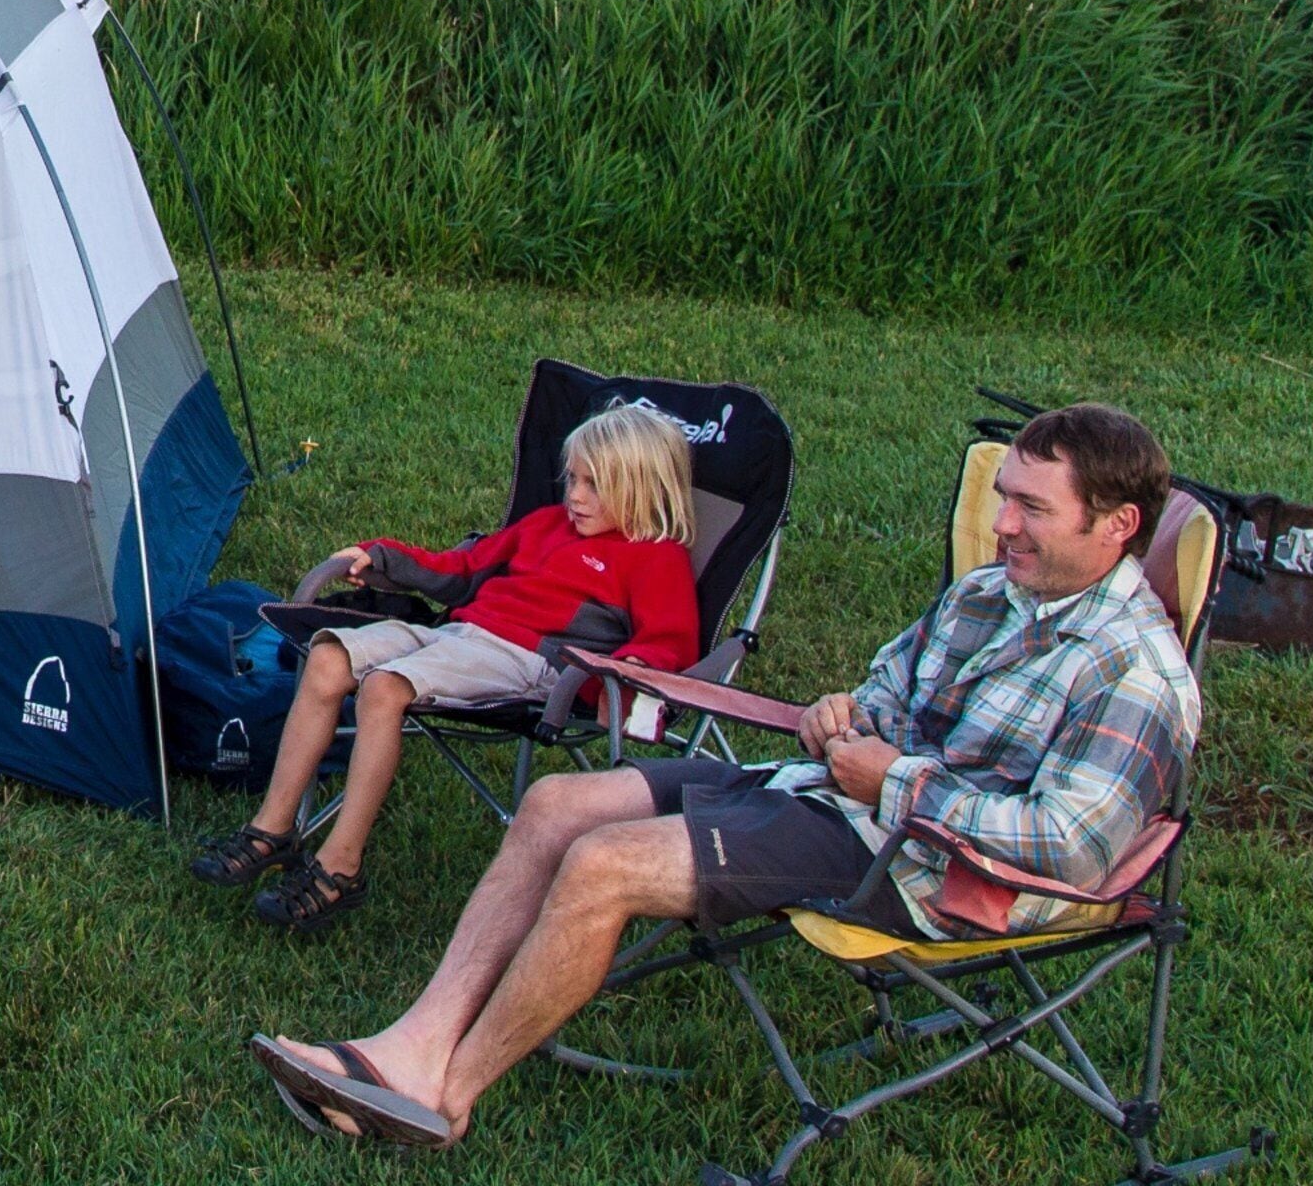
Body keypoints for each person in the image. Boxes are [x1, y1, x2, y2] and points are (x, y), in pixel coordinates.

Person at [250, 403, 1199, 1148]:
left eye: (1032, 507)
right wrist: (848, 716)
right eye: (1005, 499)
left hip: (926, 868)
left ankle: (441, 1096)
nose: (1001, 525)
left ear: (1118, 526)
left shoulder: (1135, 671)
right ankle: (410, 1044)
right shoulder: (990, 594)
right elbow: (887, 684)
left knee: (606, 863)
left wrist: (896, 781)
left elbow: (1071, 847)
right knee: (556, 803)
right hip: (835, 793)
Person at [192, 402, 703, 929]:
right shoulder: (547, 524)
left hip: (525, 661)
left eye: (594, 484)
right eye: (572, 478)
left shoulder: (655, 558)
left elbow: (671, 644)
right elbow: (462, 569)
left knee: (385, 688)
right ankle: (272, 829)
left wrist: (618, 680)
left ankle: (340, 866)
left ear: (642, 487)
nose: (574, 495)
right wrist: (382, 558)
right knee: (328, 656)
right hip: (455, 633)